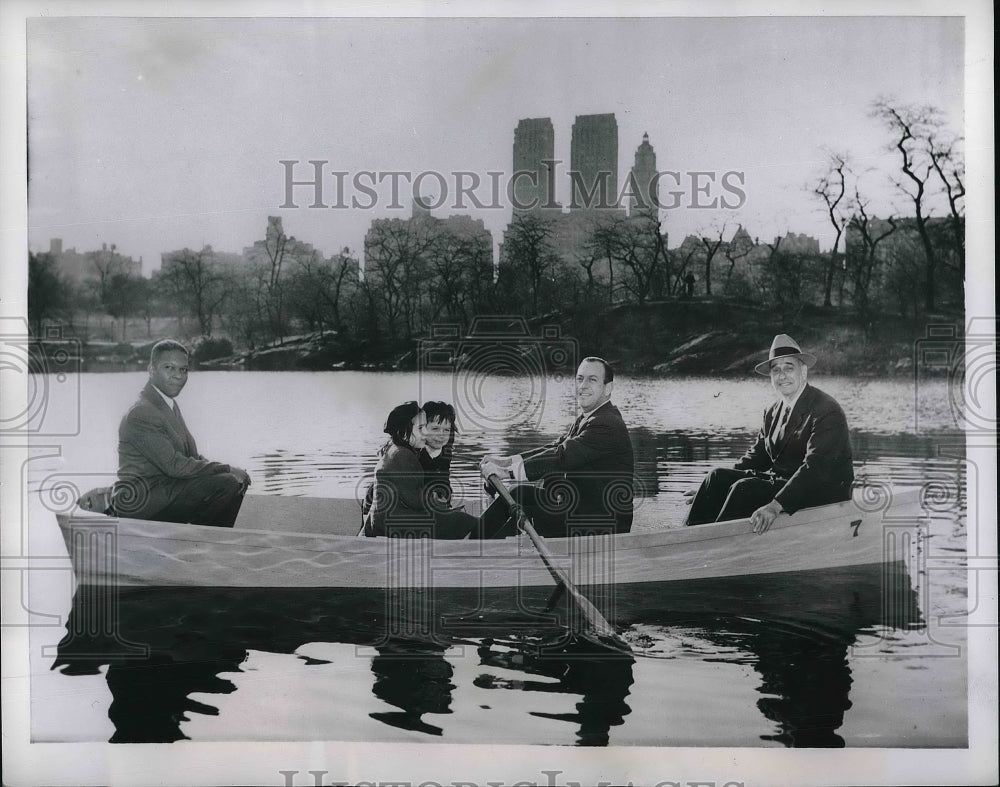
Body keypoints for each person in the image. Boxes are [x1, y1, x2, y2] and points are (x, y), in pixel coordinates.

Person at [685, 334, 854, 534]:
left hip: (822, 492)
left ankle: (711, 548)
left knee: (745, 488)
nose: (782, 376)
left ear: (804, 371)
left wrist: (775, 505)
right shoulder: (773, 411)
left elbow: (815, 469)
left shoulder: (826, 410)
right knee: (716, 477)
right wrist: (713, 491)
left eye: (789, 368)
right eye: (776, 370)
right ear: (771, 377)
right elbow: (757, 456)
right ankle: (686, 538)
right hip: (783, 483)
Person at [478, 357, 634, 538]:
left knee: (526, 513)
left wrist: (507, 473)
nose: (583, 385)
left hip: (602, 524)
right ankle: (473, 539)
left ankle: (473, 546)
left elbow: (562, 456)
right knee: (518, 493)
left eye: (592, 380)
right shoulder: (589, 418)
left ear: (608, 388)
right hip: (577, 509)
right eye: (580, 378)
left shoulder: (607, 423)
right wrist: (505, 462)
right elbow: (555, 446)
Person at [112, 340, 251, 526]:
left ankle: (211, 541)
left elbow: (190, 457)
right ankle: (198, 542)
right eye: (169, 367)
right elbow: (175, 466)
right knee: (226, 484)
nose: (178, 376)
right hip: (140, 502)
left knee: (232, 482)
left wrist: (230, 470)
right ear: (151, 369)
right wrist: (226, 469)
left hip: (165, 492)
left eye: (183, 370)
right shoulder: (142, 412)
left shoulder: (167, 404)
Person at [363, 401, 477, 539]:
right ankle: (479, 550)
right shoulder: (404, 455)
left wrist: (441, 496)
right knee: (463, 521)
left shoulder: (398, 449)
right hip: (394, 524)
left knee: (452, 518)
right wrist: (433, 499)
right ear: (405, 430)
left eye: (446, 430)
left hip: (390, 519)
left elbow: (437, 481)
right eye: (421, 428)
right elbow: (414, 499)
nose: (425, 433)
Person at [419, 400, 457, 507]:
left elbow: (444, 478)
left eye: (446, 430)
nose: (442, 435)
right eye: (435, 428)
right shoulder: (415, 453)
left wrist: (446, 496)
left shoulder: (445, 450)